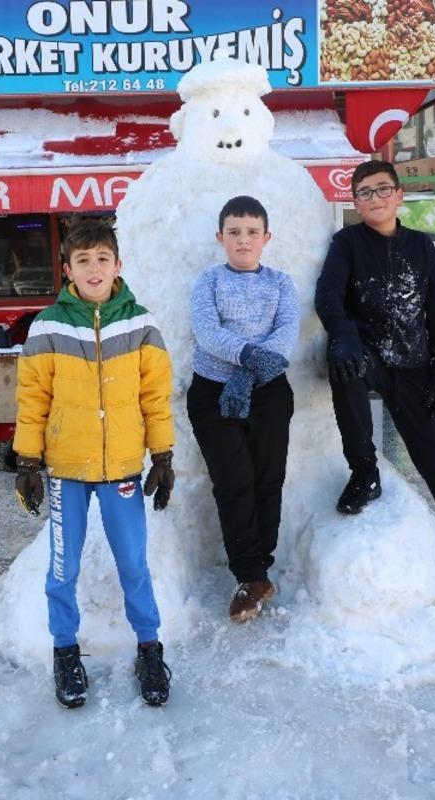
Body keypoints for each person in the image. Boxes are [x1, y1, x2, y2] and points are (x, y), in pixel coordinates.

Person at [13, 218, 177, 708]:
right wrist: (28, 460)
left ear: (118, 265)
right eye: (83, 260)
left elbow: (156, 397)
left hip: (124, 468)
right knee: (62, 568)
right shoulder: (48, 326)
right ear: (68, 270)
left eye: (102, 259)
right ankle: (65, 651)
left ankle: (149, 647)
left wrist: (163, 455)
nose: (94, 268)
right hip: (66, 472)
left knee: (134, 565)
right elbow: (32, 397)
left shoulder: (141, 324)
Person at [314, 161, 435, 590]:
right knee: (343, 366)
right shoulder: (346, 243)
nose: (375, 199)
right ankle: (365, 472)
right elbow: (328, 295)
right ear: (356, 203)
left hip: (413, 366)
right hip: (368, 357)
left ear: (399, 196)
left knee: (434, 460)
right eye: (365, 193)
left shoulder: (420, 246)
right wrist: (342, 335)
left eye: (382, 190)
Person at [187, 196, 299, 622]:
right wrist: (250, 358)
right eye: (234, 231)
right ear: (221, 237)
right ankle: (250, 576)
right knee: (232, 483)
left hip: (270, 392)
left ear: (266, 238)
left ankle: (259, 572)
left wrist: (250, 373)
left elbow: (286, 333)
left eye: (252, 232)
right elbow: (207, 333)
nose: (243, 239)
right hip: (212, 393)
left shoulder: (281, 283)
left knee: (268, 481)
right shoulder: (208, 282)